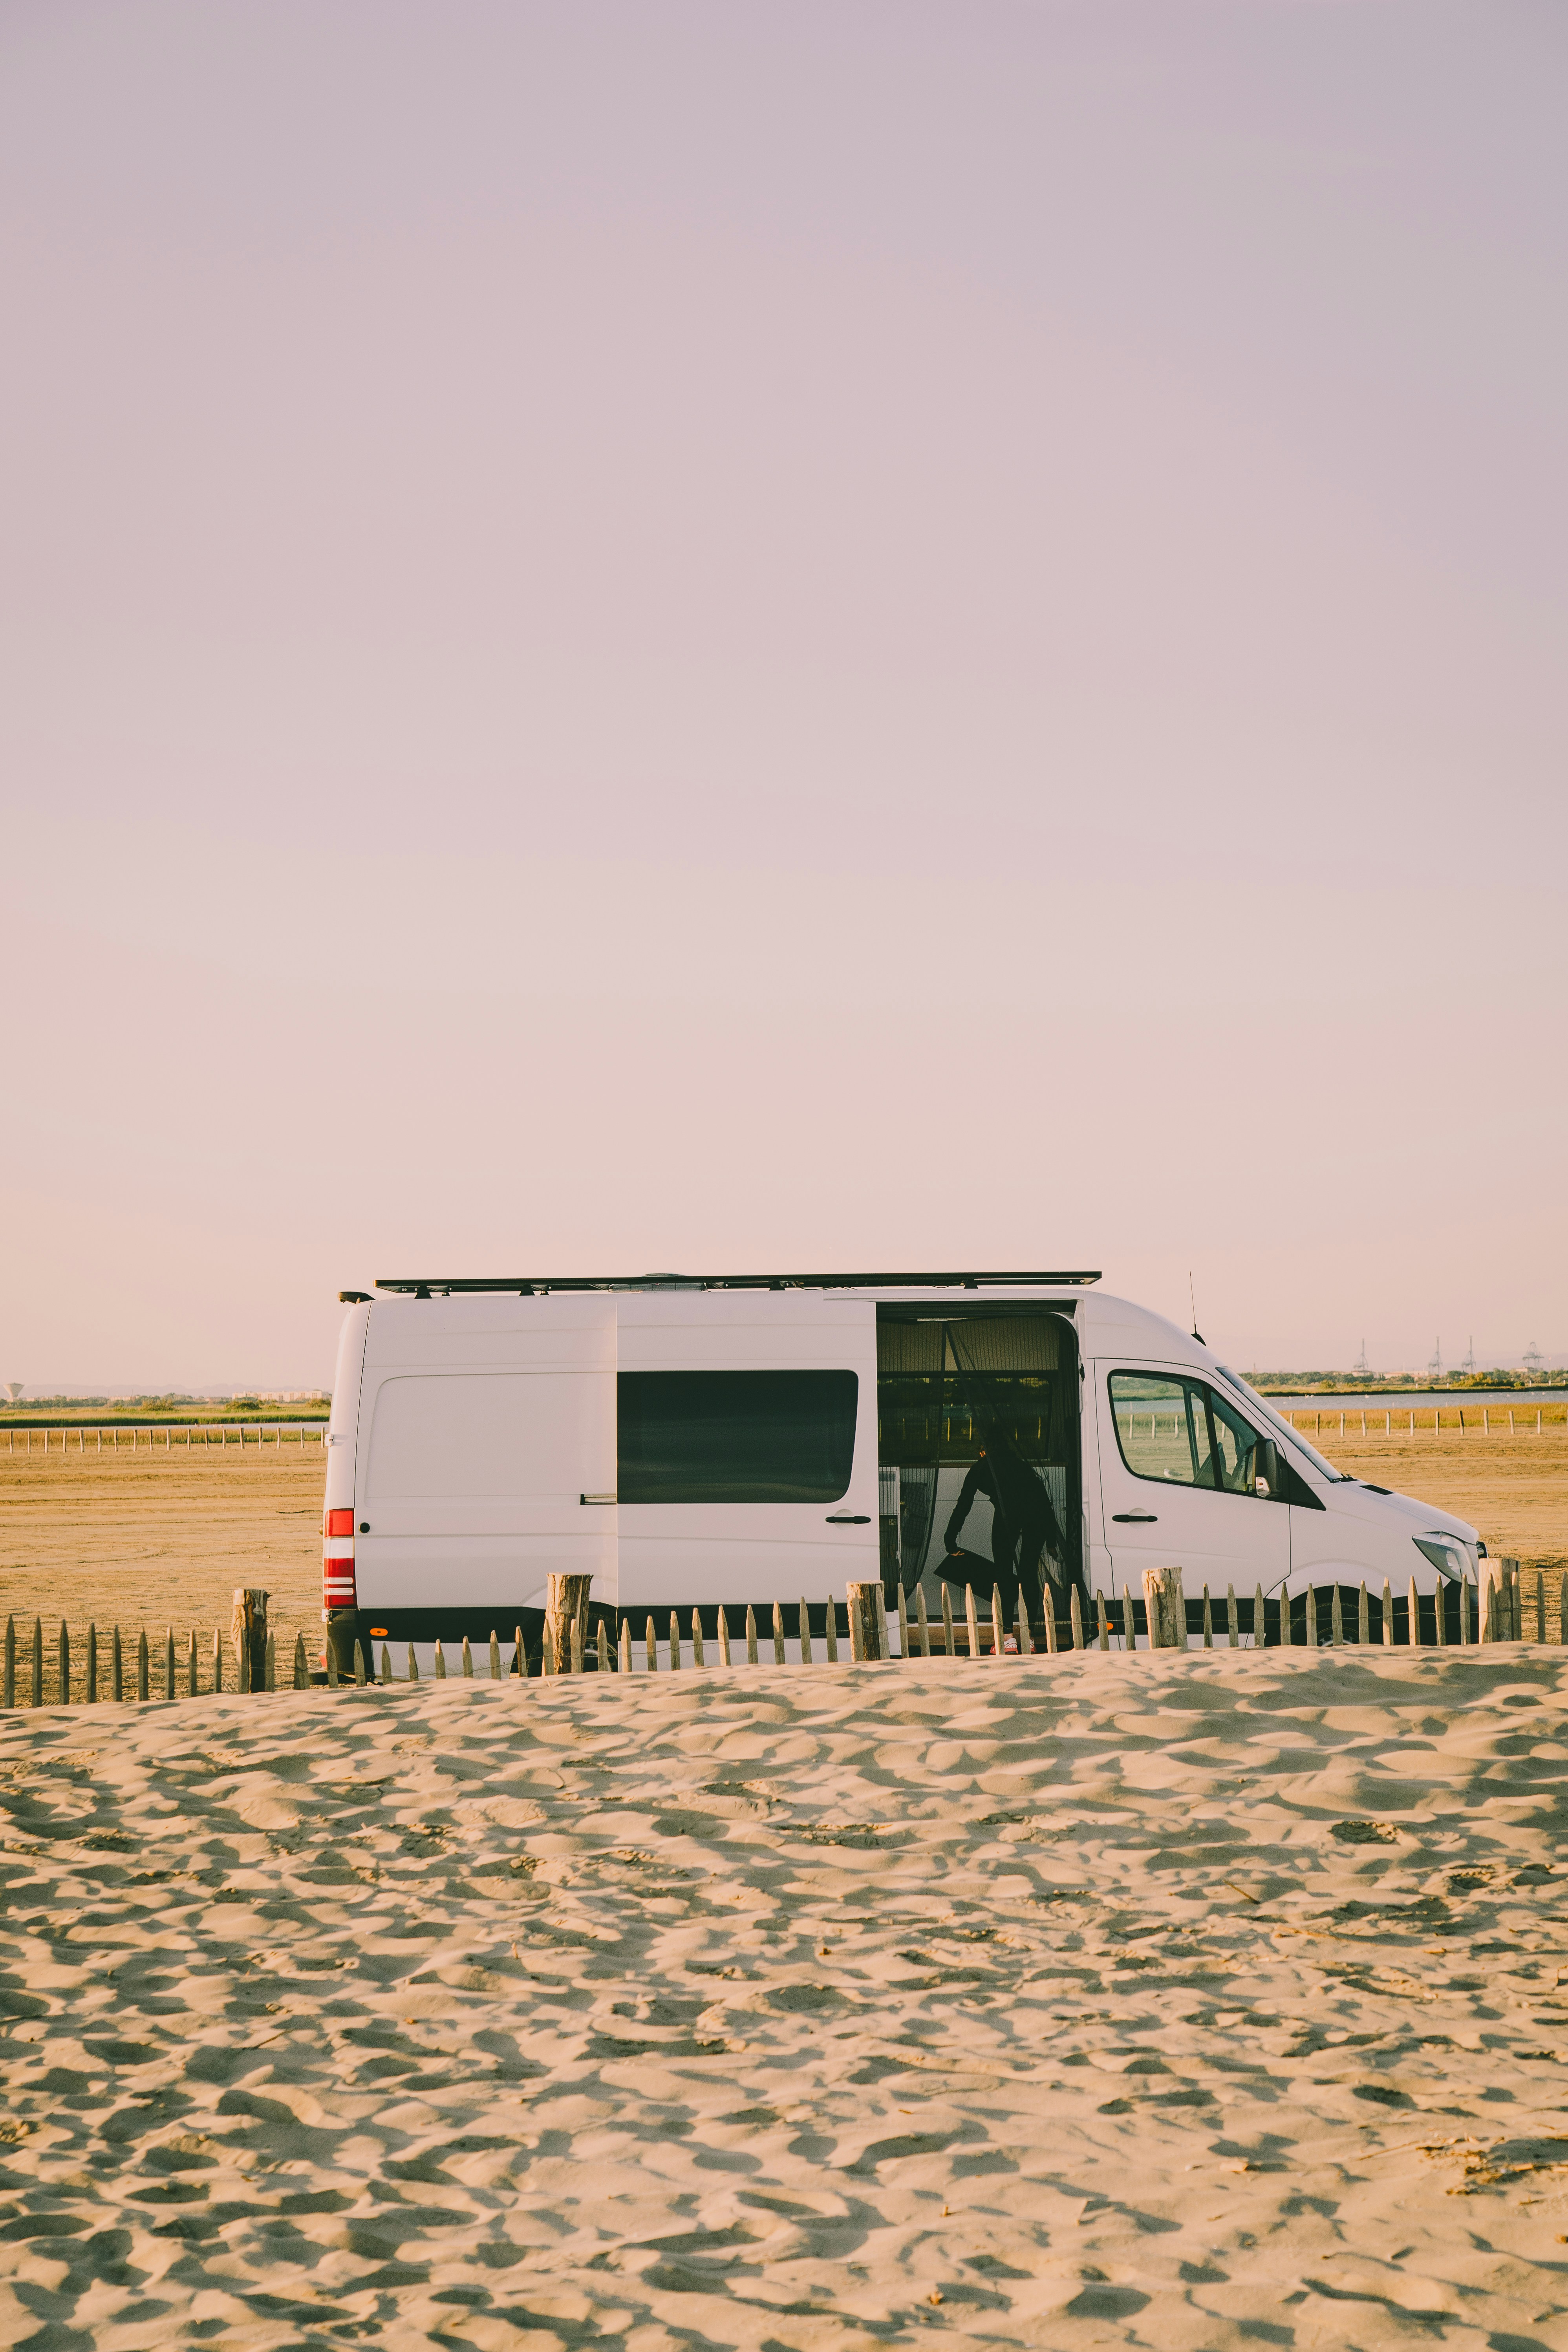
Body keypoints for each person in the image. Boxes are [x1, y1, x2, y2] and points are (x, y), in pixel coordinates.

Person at [942, 1424, 1066, 1623]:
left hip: (1007, 1518)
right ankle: (1031, 1635)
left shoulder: (981, 1467)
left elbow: (963, 1506)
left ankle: (1008, 1635)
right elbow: (1044, 1503)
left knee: (1004, 1574)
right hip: (1037, 1518)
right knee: (1028, 1573)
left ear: (984, 1449)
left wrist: (950, 1540)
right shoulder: (1021, 1464)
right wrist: (1051, 1541)